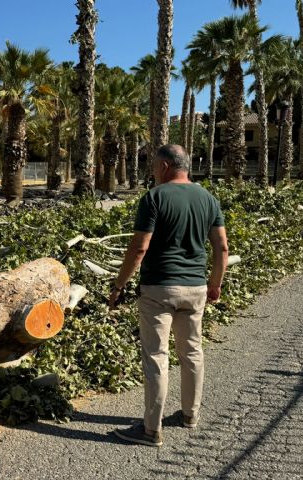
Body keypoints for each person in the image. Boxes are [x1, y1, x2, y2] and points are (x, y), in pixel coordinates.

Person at [110, 144, 228, 447]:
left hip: (159, 289)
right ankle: (190, 415)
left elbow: (139, 249)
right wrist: (215, 283)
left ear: (164, 166)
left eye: (152, 166)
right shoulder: (208, 199)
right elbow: (221, 247)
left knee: (156, 358)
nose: (152, 171)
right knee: (192, 352)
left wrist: (119, 285)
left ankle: (151, 430)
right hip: (196, 288)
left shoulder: (154, 197)